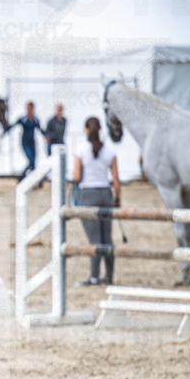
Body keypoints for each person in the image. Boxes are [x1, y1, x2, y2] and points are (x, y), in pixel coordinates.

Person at [73, 116, 121, 286]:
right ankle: (109, 276)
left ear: (86, 130)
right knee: (107, 238)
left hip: (88, 194)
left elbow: (77, 176)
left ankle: (94, 277)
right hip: (105, 194)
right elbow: (116, 180)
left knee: (94, 239)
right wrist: (117, 199)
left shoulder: (80, 149)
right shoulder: (109, 151)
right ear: (100, 129)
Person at [9, 101, 45, 179]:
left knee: (33, 163)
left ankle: (33, 180)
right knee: (31, 161)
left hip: (32, 142)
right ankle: (22, 176)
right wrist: (3, 133)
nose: (29, 110)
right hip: (25, 142)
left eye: (30, 108)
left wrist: (46, 136)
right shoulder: (23, 119)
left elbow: (40, 130)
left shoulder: (35, 120)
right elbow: (12, 126)